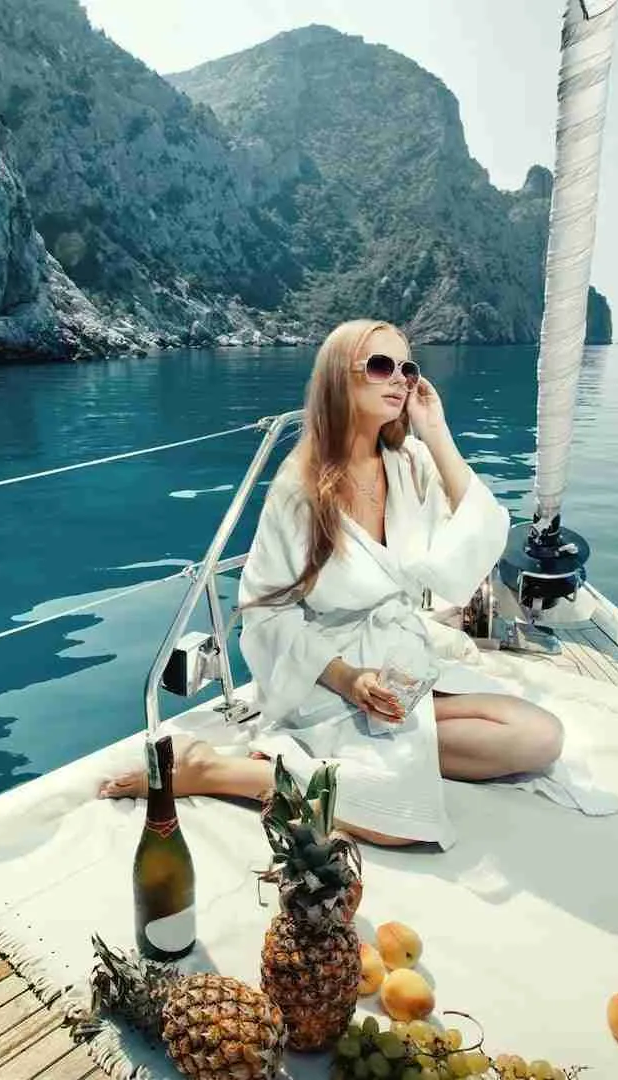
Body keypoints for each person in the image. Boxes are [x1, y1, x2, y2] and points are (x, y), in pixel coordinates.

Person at [100, 319, 563, 846]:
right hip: (323, 674)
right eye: (381, 366)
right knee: (401, 819)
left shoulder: (409, 462)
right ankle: (220, 773)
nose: (400, 380)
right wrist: (349, 679)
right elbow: (266, 612)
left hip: (399, 667)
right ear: (339, 380)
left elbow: (480, 532)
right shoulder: (301, 487)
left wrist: (436, 432)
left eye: (407, 369)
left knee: (539, 737)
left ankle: (385, 755)